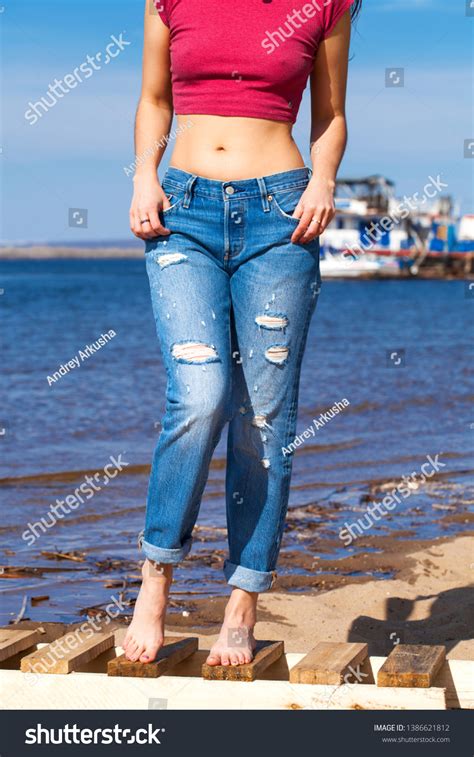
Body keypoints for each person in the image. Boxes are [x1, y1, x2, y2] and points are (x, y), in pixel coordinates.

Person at [124, 0, 361, 667]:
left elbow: (332, 112)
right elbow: (153, 97)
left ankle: (243, 598)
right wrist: (145, 174)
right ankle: (156, 581)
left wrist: (324, 181)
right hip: (185, 212)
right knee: (200, 394)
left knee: (263, 413)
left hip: (281, 214)